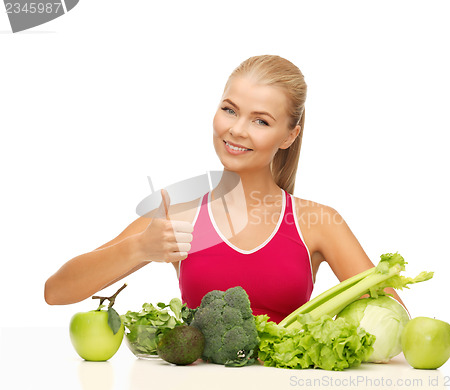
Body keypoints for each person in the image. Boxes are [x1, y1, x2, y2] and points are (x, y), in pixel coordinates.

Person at [44, 55, 403, 323]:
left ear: (289, 136)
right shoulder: (178, 216)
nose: (237, 130)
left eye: (260, 120)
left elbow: (393, 316)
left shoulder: (318, 221)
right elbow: (57, 291)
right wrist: (139, 248)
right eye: (229, 110)